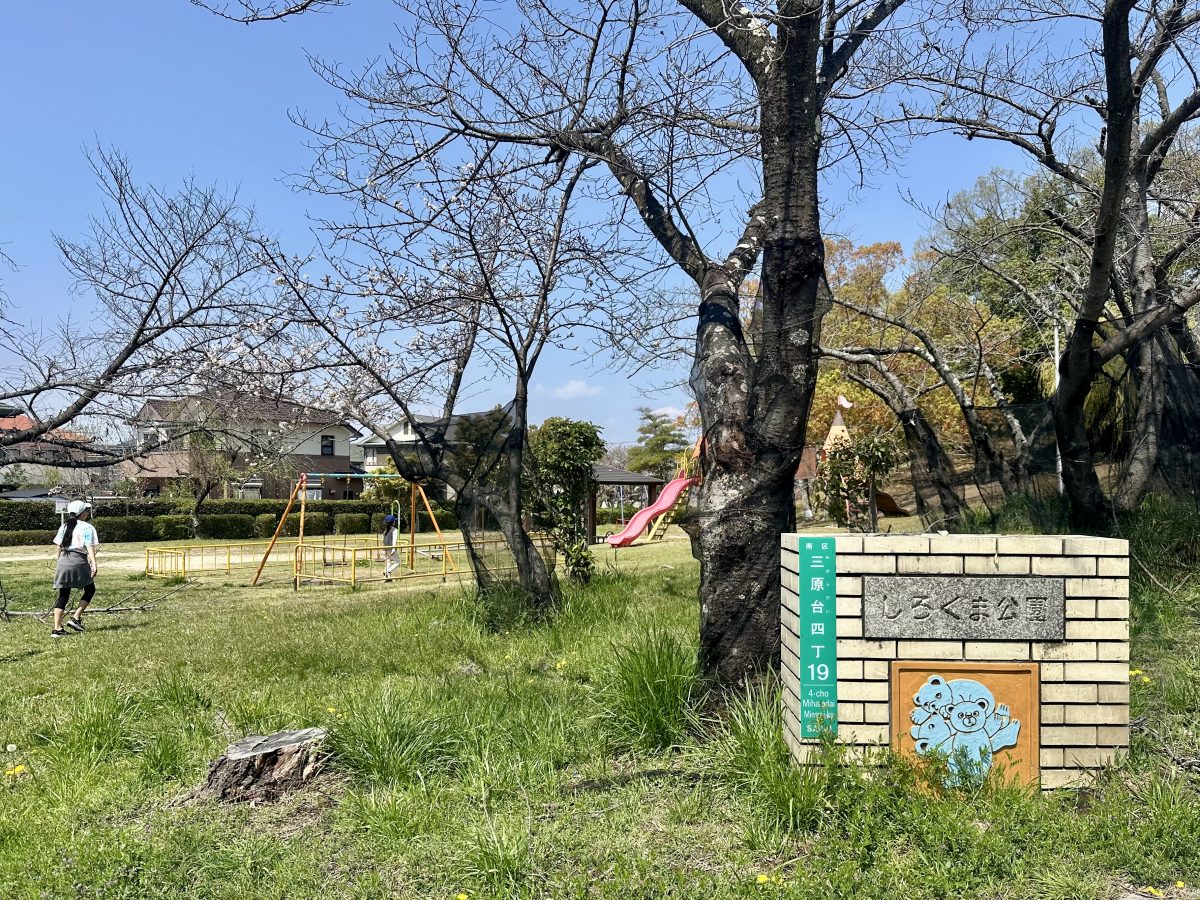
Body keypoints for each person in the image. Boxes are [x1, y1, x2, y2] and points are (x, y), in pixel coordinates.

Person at [50, 500, 100, 638]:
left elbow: (58, 546)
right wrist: (94, 563)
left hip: (64, 561)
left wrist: (59, 560)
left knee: (63, 594)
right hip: (78, 560)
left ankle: (57, 629)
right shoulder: (87, 527)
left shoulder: (64, 526)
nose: (87, 514)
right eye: (86, 512)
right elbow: (89, 546)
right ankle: (76, 618)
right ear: (83, 513)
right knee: (90, 589)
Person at [382, 513, 400, 580]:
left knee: (388, 561)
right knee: (397, 561)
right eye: (394, 521)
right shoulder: (394, 530)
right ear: (393, 522)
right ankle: (389, 571)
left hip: (384, 548)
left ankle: (386, 572)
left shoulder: (385, 530)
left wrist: (383, 549)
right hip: (390, 548)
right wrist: (393, 548)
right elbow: (394, 540)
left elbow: (383, 540)